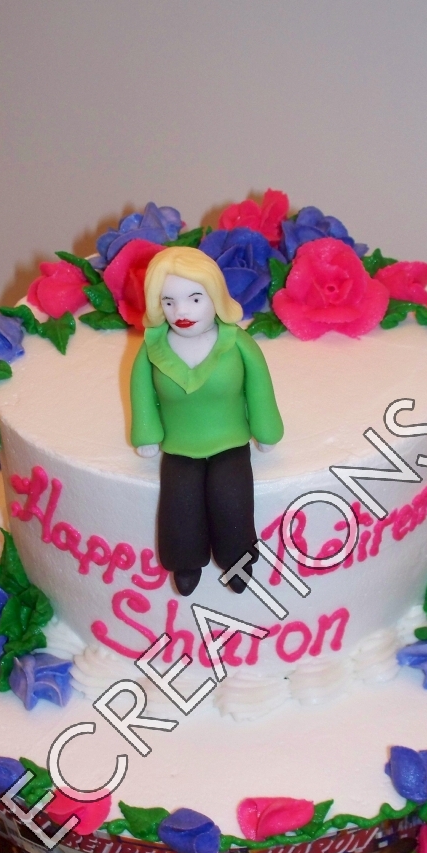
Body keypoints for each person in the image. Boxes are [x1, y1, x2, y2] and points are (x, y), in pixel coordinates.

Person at [130, 246, 284, 596]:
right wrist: (147, 433)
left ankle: (238, 561)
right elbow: (141, 393)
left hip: (230, 439)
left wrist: (266, 429)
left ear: (215, 297)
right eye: (169, 302)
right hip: (179, 443)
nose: (181, 312)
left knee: (232, 497)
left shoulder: (237, 343)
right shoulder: (153, 348)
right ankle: (184, 563)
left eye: (195, 299)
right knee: (179, 501)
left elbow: (259, 388)